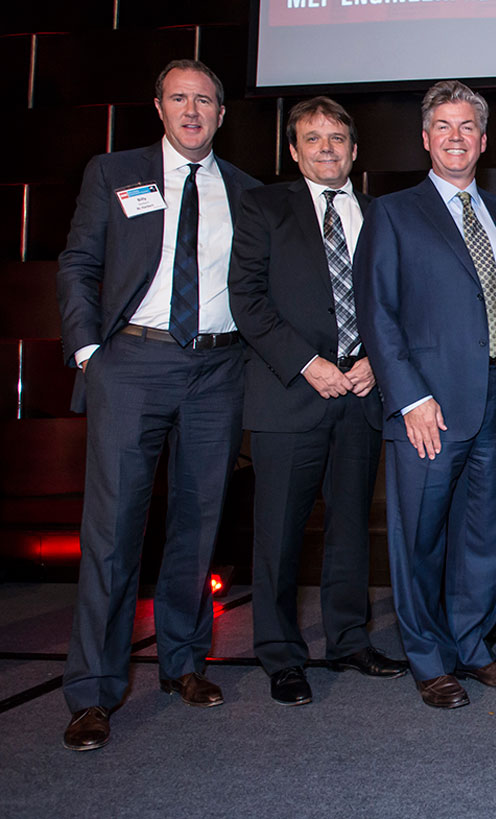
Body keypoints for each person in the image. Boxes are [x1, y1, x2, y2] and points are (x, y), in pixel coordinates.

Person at [56, 59, 259, 751]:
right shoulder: (114, 173)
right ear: (159, 106)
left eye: (206, 100)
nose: (193, 110)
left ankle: (182, 663)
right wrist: (90, 354)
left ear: (223, 114)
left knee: (198, 525)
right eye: (180, 98)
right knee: (113, 534)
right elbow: (78, 264)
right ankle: (93, 692)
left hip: (217, 367)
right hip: (133, 363)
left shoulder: (247, 191)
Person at [353, 80, 496, 709]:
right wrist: (408, 397)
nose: (456, 138)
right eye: (444, 127)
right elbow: (376, 313)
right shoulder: (393, 212)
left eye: (467, 128)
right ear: (426, 139)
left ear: (483, 141)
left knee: (483, 534)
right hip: (428, 404)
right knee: (419, 537)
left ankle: (473, 647)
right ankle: (427, 659)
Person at [229, 96, 408, 707]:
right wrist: (310, 366)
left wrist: (372, 364)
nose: (327, 148)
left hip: (360, 394)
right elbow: (246, 300)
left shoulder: (381, 214)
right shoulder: (263, 206)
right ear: (293, 150)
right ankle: (281, 655)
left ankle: (349, 640)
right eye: (313, 139)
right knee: (279, 535)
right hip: (291, 396)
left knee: (351, 527)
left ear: (355, 152)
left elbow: (396, 300)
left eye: (337, 139)